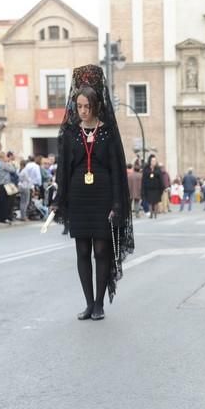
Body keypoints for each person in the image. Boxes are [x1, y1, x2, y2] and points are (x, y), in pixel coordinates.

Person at [54, 64, 134, 321]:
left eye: (87, 107)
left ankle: (100, 303)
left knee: (101, 250)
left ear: (96, 106)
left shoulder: (108, 132)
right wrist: (59, 199)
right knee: (81, 252)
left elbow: (117, 169)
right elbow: (63, 169)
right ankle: (88, 303)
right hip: (78, 198)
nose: (83, 111)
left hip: (102, 197)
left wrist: (116, 204)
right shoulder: (69, 132)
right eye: (79, 107)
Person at [141, 154, 164, 219]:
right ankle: (151, 213)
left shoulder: (158, 169)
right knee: (150, 202)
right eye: (153, 161)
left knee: (156, 201)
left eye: (155, 161)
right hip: (149, 188)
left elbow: (160, 178)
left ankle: (155, 214)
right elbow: (144, 178)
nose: (154, 162)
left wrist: (162, 187)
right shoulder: (146, 168)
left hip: (156, 188)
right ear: (150, 161)